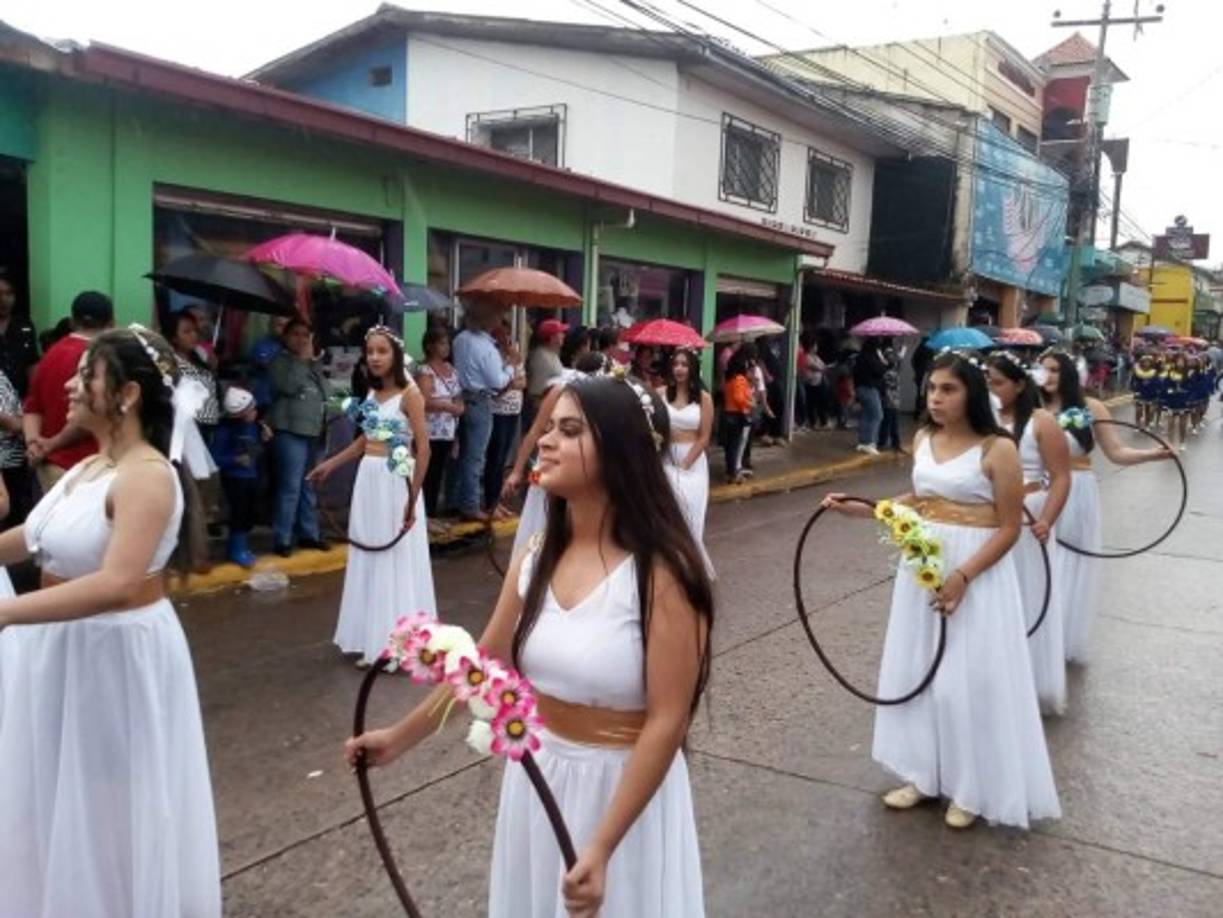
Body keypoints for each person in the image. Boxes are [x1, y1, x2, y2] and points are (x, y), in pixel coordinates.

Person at [347, 373, 713, 918]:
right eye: (547, 427)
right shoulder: (536, 556)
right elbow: (482, 667)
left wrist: (603, 845)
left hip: (622, 797)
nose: (543, 440)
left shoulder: (665, 572)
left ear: (620, 452)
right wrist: (399, 739)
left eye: (569, 430)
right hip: (538, 781)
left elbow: (666, 721)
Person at [0, 325, 220, 916]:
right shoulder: (90, 467)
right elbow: (35, 536)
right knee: (55, 787)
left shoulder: (147, 474)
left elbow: (118, 581)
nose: (69, 384)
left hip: (111, 654)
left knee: (104, 801)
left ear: (126, 395)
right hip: (63, 646)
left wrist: (5, 614)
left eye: (86, 373)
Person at [823, 351, 1059, 829]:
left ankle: (972, 787)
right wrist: (865, 507)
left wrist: (964, 576)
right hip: (924, 566)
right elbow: (920, 501)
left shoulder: (999, 449)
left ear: (971, 392)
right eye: (931, 388)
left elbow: (1010, 527)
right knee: (921, 672)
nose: (935, 397)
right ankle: (923, 774)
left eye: (947, 389)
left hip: (977, 575)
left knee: (965, 684)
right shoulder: (924, 438)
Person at [311, 327, 436, 665]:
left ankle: (398, 646)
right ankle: (373, 639)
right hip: (368, 478)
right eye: (370, 352)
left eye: (382, 351)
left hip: (397, 478)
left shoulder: (410, 395)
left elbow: (423, 449)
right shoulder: (371, 393)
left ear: (395, 355)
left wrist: (412, 499)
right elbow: (364, 441)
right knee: (369, 557)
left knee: (393, 559)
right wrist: (330, 465)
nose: (375, 358)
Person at [1038, 350, 1170, 663]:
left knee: (1070, 562)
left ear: (1069, 373)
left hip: (1077, 490)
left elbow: (1116, 452)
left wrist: (1152, 454)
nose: (1048, 376)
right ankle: (1035, 634)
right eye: (1043, 370)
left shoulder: (1090, 407)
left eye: (1055, 370)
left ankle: (1060, 638)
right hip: (1038, 491)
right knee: (1038, 560)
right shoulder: (1030, 408)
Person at [987, 352, 1073, 715]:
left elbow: (1061, 477)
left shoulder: (1041, 422)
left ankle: (1029, 683)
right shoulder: (981, 421)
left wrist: (1046, 521)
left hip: (1029, 514)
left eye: (998, 382)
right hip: (988, 517)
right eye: (986, 382)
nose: (991, 389)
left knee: (1027, 595)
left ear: (1019, 384)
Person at [501, 351, 608, 557]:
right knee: (541, 504)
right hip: (548, 465)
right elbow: (535, 432)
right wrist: (516, 472)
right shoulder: (560, 391)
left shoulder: (603, 400)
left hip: (580, 468)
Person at [24, 290, 112, 493]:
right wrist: (50, 444)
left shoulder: (51, 353)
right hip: (84, 468)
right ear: (111, 322)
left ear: (72, 321)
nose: (71, 385)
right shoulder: (101, 359)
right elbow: (92, 413)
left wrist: (34, 443)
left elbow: (32, 406)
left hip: (49, 467)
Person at [267, 318, 329, 556]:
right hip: (290, 431)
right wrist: (304, 361)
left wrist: (314, 363)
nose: (301, 340)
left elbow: (327, 391)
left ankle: (308, 534)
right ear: (286, 337)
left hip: (314, 430)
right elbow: (288, 386)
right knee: (290, 486)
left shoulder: (312, 363)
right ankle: (282, 538)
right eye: (296, 334)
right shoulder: (280, 362)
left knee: (308, 486)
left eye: (306, 335)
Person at [453, 304, 517, 522]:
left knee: (464, 454)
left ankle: (460, 500)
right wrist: (511, 367)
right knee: (475, 456)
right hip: (480, 400)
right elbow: (497, 381)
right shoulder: (485, 347)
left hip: (463, 397)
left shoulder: (460, 340)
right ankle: (470, 505)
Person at [662, 349, 715, 576]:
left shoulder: (704, 398)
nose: (679, 369)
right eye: (676, 364)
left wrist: (685, 464)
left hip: (692, 461)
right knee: (668, 515)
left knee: (690, 516)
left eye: (684, 364)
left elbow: (704, 437)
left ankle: (690, 566)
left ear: (692, 368)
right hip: (665, 458)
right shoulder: (660, 393)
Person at [212, 386, 268, 568]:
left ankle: (241, 546)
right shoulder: (225, 431)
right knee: (239, 513)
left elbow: (255, 448)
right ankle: (237, 549)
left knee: (250, 512)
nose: (255, 412)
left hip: (251, 475)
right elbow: (215, 458)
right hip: (235, 477)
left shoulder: (253, 426)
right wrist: (235, 460)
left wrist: (264, 437)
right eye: (251, 410)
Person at [416, 326, 463, 519]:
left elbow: (458, 395)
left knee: (439, 473)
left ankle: (433, 513)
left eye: (447, 343)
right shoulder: (425, 371)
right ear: (430, 346)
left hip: (448, 429)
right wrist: (448, 407)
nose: (446, 347)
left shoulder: (451, 369)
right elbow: (424, 401)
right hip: (431, 429)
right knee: (430, 474)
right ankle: (427, 516)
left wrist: (459, 407)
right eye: (442, 343)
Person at [486, 319, 526, 518]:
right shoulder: (493, 356)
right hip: (498, 411)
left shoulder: (514, 355)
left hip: (513, 409)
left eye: (508, 334)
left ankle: (497, 501)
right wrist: (511, 378)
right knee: (495, 457)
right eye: (502, 334)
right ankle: (490, 502)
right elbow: (498, 388)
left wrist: (511, 380)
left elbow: (523, 381)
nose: (506, 338)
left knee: (503, 458)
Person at [0, 270, 38, 397]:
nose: (4, 299)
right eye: (0, 293)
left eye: (9, 293)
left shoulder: (24, 326)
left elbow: (31, 364)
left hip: (20, 400)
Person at [525, 318, 567, 429]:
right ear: (552, 338)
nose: (563, 335)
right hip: (541, 407)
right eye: (560, 333)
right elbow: (535, 390)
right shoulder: (541, 357)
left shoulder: (551, 353)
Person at [722, 348, 755, 484]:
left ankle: (731, 472)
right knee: (736, 445)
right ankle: (734, 473)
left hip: (728, 414)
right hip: (737, 415)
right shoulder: (740, 379)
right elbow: (739, 398)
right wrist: (750, 404)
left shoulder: (729, 380)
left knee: (730, 446)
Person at [853, 338, 887, 455]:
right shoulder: (871, 357)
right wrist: (882, 360)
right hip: (869, 388)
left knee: (866, 415)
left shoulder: (861, 356)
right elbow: (880, 370)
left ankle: (862, 442)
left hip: (860, 388)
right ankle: (870, 442)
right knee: (877, 415)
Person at [876, 339, 903, 452]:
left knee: (894, 423)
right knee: (886, 422)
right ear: (885, 358)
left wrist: (901, 350)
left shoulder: (893, 368)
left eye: (892, 355)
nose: (892, 357)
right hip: (887, 399)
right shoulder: (885, 371)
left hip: (894, 400)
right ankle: (882, 443)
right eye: (889, 355)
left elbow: (899, 362)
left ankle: (895, 444)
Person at [800, 331, 830, 429]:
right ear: (811, 346)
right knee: (812, 404)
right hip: (811, 384)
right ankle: (814, 422)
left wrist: (824, 367)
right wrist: (824, 368)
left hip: (818, 382)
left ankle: (822, 421)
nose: (816, 347)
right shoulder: (806, 357)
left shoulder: (815, 357)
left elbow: (823, 366)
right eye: (815, 345)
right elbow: (819, 368)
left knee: (821, 403)